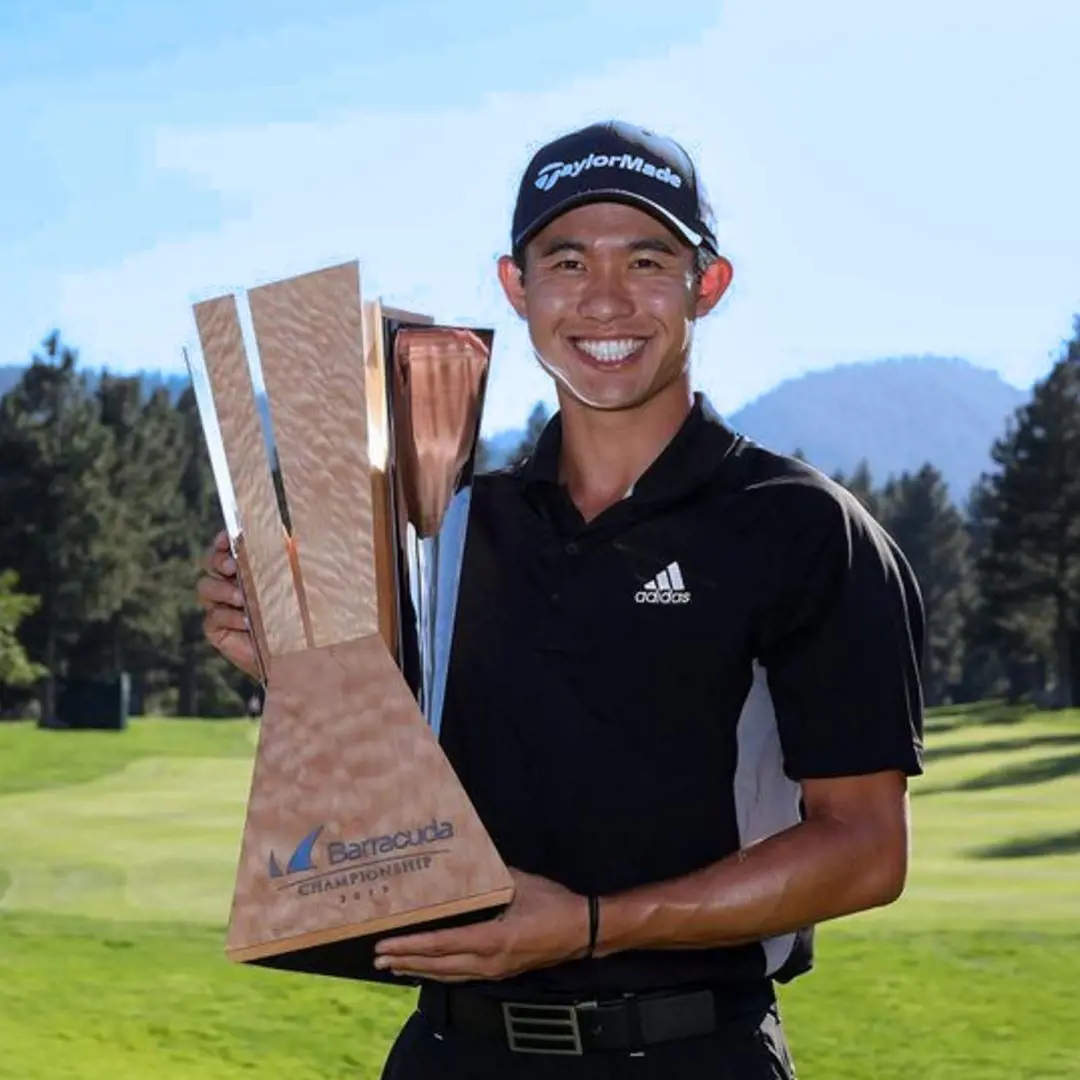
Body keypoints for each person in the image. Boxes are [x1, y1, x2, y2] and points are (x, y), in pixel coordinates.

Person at [197, 120, 925, 1079]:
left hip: (688, 1053)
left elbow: (866, 852)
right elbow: (398, 790)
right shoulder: (452, 526)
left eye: (649, 259)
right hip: (449, 1053)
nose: (606, 300)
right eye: (568, 260)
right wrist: (303, 673)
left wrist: (588, 928)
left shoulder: (802, 529)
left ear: (708, 285)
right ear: (517, 288)